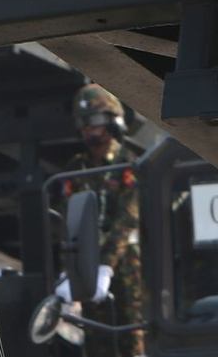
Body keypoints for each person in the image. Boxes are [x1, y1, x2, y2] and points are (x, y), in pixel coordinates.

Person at [56, 84, 145, 356]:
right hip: (86, 262)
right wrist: (68, 268)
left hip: (125, 263)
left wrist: (106, 266)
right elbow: (67, 222)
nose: (88, 129)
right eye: (84, 123)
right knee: (95, 338)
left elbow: (128, 221)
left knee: (130, 333)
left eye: (93, 122)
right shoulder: (76, 167)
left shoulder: (127, 163)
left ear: (112, 122)